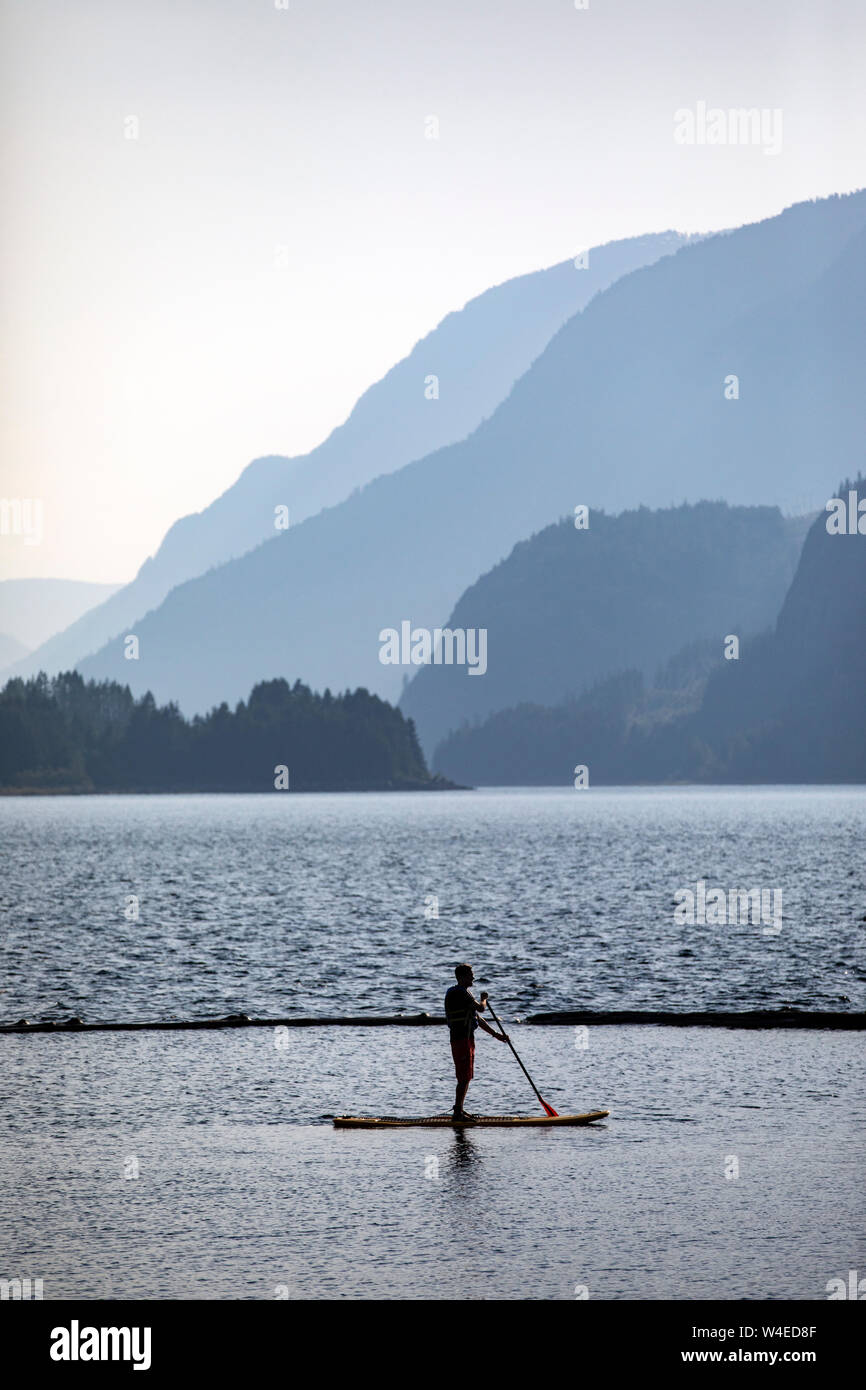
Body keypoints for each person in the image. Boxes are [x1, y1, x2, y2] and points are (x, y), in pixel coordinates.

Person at [444, 963, 508, 1120]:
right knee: (463, 1077)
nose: (473, 977)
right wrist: (484, 1000)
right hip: (460, 1039)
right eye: (469, 974)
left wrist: (496, 1035)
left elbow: (477, 1018)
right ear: (461, 977)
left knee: (467, 1076)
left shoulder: (465, 993)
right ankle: (457, 1112)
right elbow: (481, 1009)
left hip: (467, 1039)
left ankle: (459, 1109)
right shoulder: (459, 993)